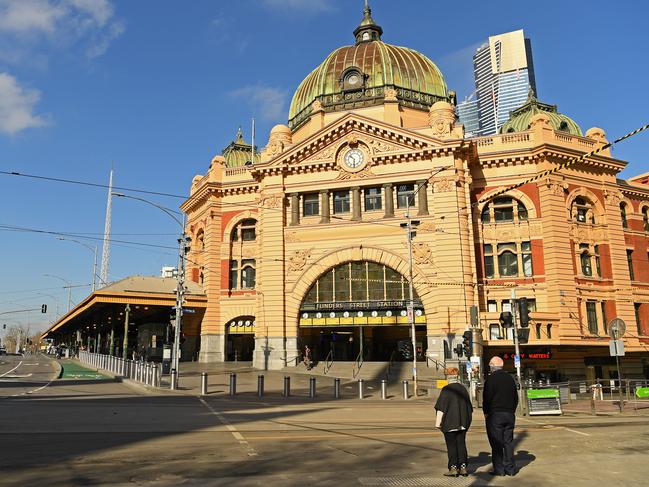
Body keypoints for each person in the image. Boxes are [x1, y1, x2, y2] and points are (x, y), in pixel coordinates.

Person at [483, 356, 519, 476]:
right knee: (508, 442)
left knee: (496, 443)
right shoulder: (510, 378)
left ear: (493, 366)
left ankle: (499, 469)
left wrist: (486, 413)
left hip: (495, 415)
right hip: (509, 414)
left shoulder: (490, 379)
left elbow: (486, 399)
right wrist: (511, 410)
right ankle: (510, 469)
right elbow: (516, 398)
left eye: (490, 366)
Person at [434, 378, 473, 477]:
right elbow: (469, 408)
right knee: (461, 444)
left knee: (451, 446)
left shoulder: (446, 389)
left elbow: (441, 408)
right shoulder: (463, 389)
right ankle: (463, 467)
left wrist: (438, 423)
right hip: (462, 423)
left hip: (450, 423)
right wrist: (467, 422)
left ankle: (453, 468)